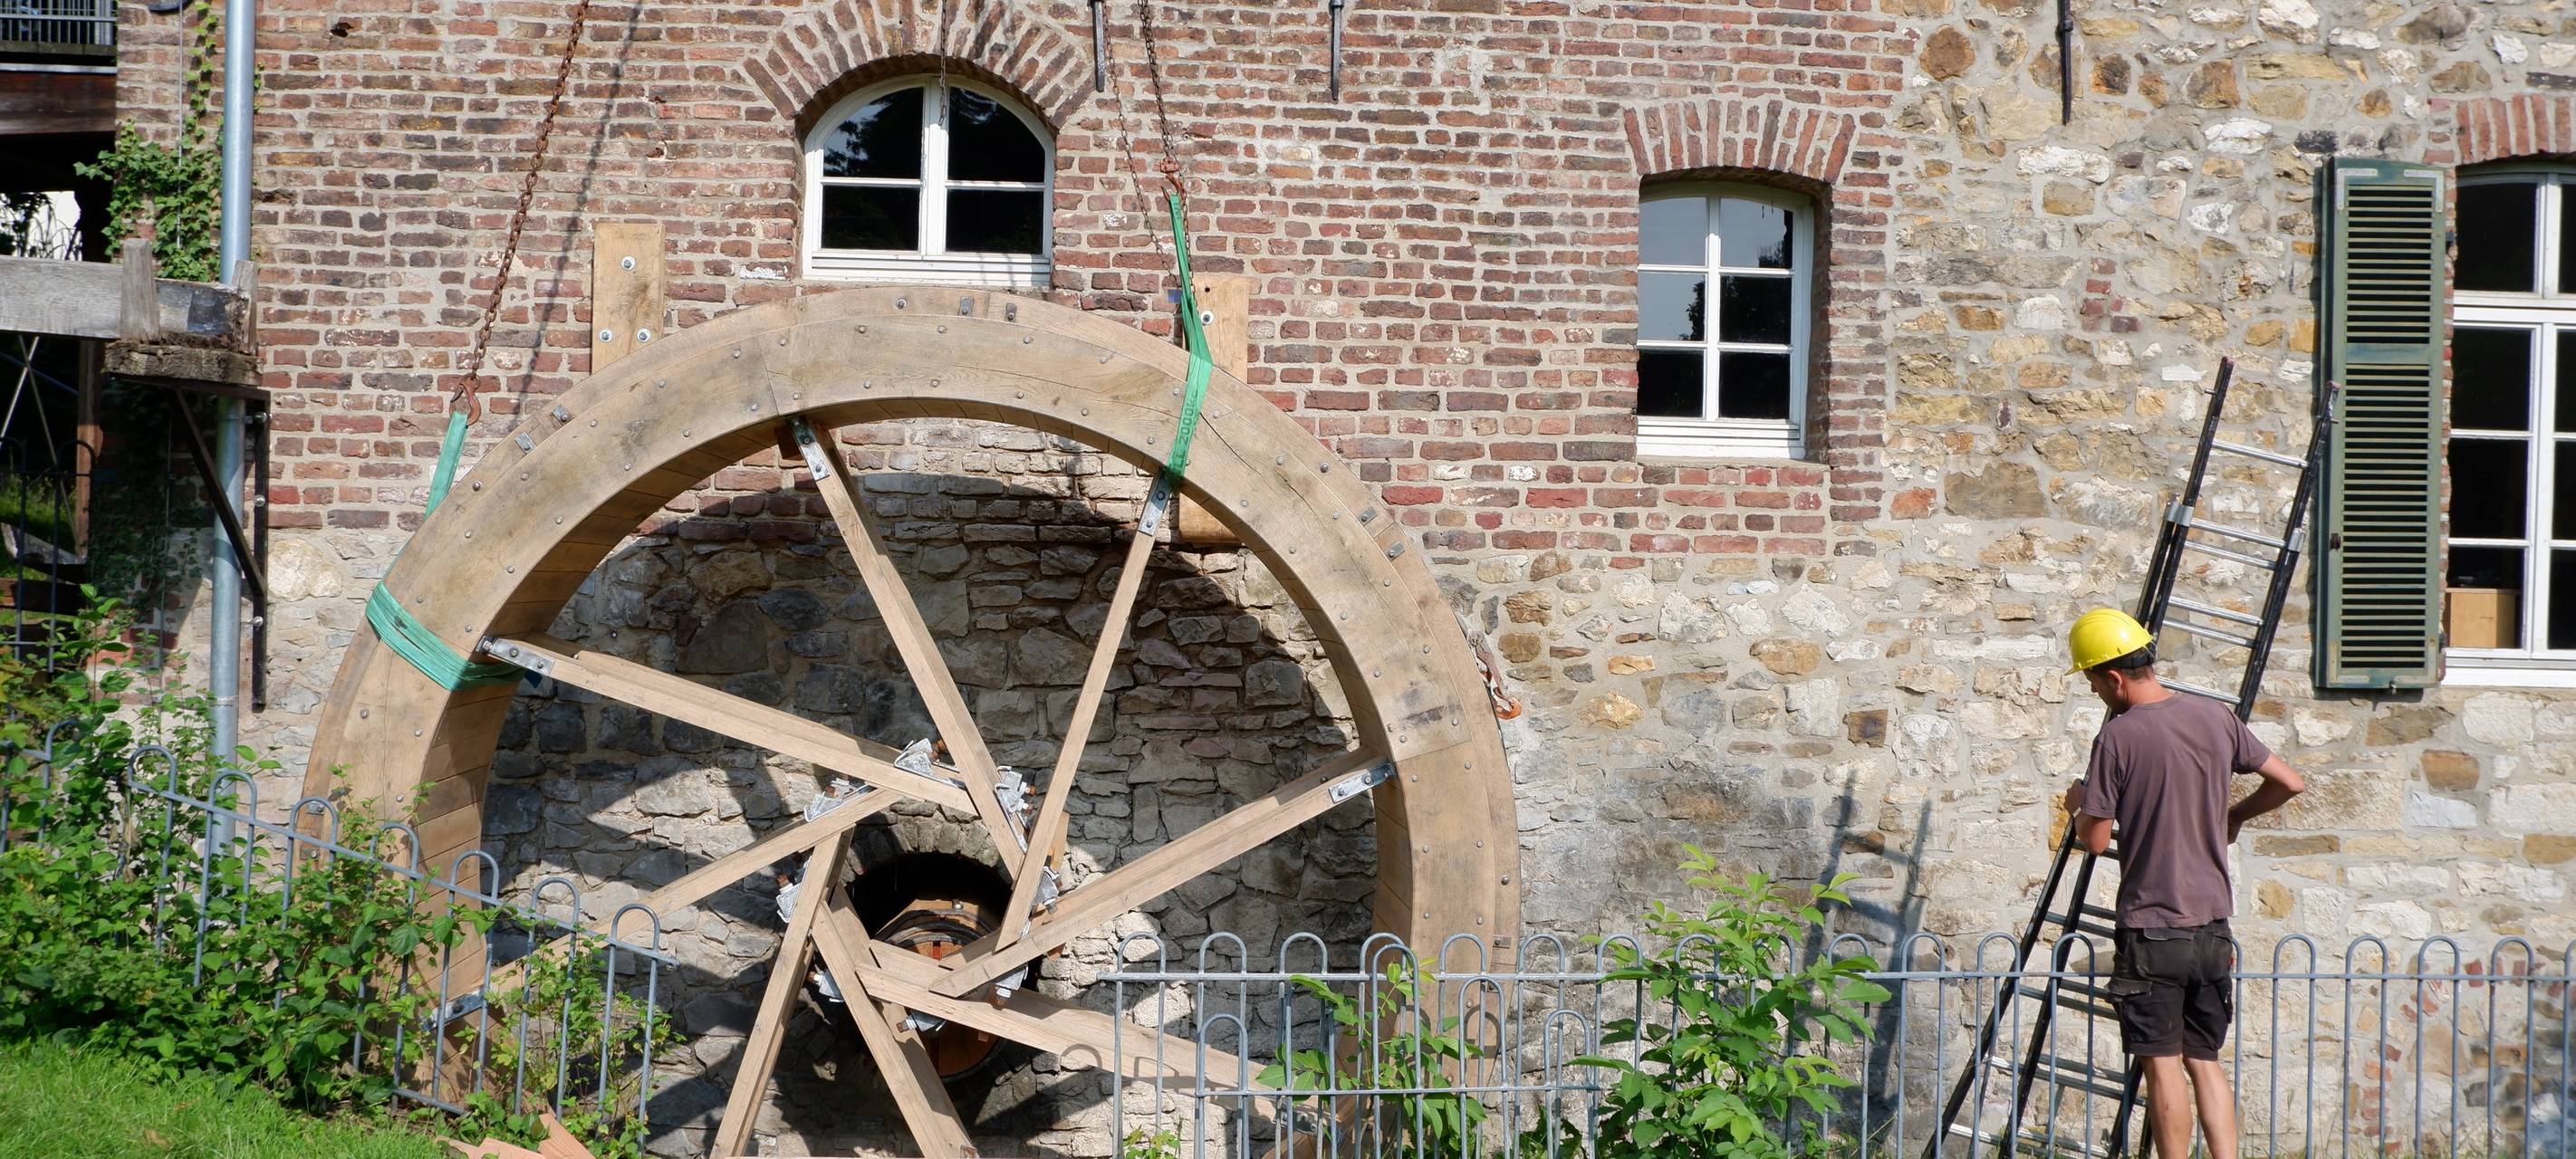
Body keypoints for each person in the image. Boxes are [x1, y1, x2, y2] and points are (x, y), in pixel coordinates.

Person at [2058, 608, 2305, 1159]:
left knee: (2162, 1065)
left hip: (2153, 929)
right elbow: (2291, 782)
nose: (2098, 693)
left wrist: (2081, 805)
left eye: (2094, 682)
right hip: (2213, 927)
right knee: (2205, 1061)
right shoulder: (2215, 717)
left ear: (2114, 678)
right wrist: (2235, 816)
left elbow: (2096, 842)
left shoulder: (2117, 738)